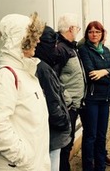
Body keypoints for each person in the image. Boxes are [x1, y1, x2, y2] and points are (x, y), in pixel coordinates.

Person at [0, 13, 50, 170]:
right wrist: (24, 158)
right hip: (15, 165)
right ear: (18, 39)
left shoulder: (25, 73)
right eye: (32, 37)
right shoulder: (7, 76)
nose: (38, 42)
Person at [78, 21, 110, 171]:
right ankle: (88, 167)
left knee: (102, 135)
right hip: (92, 99)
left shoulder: (106, 50)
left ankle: (100, 166)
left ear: (102, 34)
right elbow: (91, 75)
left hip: (105, 98)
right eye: (91, 32)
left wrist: (105, 72)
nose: (94, 34)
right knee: (90, 136)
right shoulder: (84, 50)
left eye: (97, 32)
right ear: (87, 34)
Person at [34, 25, 72, 171]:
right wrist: (64, 122)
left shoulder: (43, 65)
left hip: (50, 132)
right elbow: (52, 101)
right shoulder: (43, 68)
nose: (56, 49)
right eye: (53, 44)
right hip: (52, 133)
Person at [53, 13, 85, 171]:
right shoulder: (60, 48)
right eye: (77, 28)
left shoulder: (70, 47)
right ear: (71, 28)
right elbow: (52, 79)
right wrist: (68, 100)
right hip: (66, 106)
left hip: (72, 105)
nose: (78, 31)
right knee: (64, 145)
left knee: (68, 143)